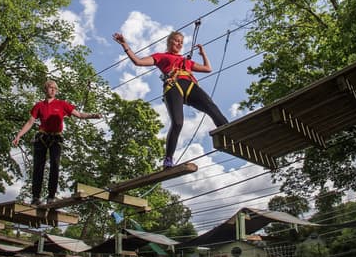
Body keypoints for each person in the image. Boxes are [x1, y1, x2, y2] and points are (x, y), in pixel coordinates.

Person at [113, 31, 228, 169]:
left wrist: (203, 53)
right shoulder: (161, 56)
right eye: (176, 40)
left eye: (181, 42)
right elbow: (138, 61)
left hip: (190, 85)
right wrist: (125, 44)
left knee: (211, 107)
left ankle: (229, 134)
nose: (179, 43)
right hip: (173, 86)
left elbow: (208, 69)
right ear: (169, 42)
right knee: (178, 123)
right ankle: (168, 159)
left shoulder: (187, 62)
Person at [13, 79, 101, 206]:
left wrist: (93, 115)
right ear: (45, 90)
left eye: (55, 88)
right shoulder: (39, 106)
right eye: (50, 88)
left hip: (55, 139)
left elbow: (79, 115)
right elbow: (30, 122)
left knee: (55, 165)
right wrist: (19, 135)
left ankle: (51, 196)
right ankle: (36, 197)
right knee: (38, 167)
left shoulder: (62, 104)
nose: (53, 90)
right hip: (42, 138)